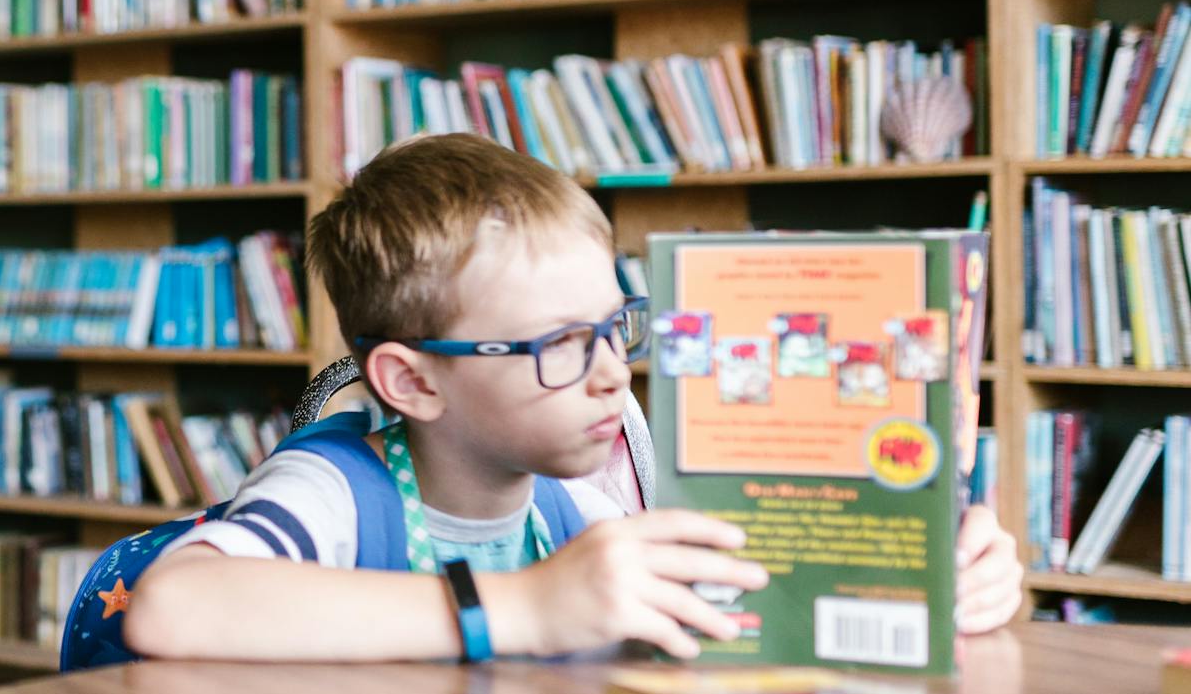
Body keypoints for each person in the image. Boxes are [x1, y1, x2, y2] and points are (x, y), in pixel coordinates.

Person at [123, 134, 1023, 662]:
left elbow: (744, 616)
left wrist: (929, 581)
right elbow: (173, 605)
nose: (609, 373)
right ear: (412, 381)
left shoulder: (582, 496)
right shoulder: (335, 485)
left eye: (613, 327)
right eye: (556, 344)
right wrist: (526, 606)